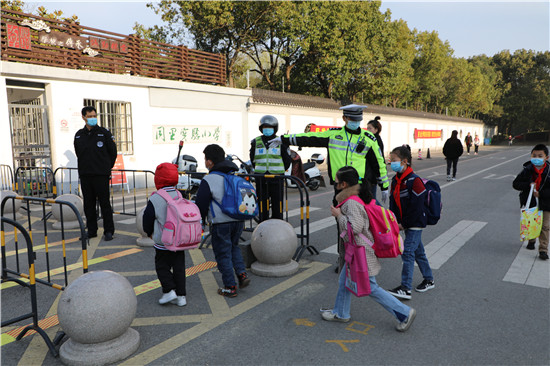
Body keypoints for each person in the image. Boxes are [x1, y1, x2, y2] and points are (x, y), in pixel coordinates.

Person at [268, 104, 389, 270]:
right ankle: (345, 260)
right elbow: (309, 138)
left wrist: (384, 185)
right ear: (345, 119)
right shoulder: (334, 135)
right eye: (352, 119)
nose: (355, 122)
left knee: (359, 227)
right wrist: (284, 139)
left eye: (358, 119)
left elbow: (379, 163)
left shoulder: (369, 138)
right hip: (340, 189)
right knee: (342, 225)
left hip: (360, 189)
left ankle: (363, 259)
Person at [320, 166, 417, 332]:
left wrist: (339, 216)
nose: (334, 184)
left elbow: (355, 228)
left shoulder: (350, 202)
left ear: (343, 184)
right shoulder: (353, 199)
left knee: (371, 288)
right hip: (357, 251)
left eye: (336, 182)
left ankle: (404, 313)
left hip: (360, 252)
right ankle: (341, 313)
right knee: (344, 281)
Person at [195, 144, 251, 297]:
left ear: (210, 162)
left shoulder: (209, 179)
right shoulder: (233, 175)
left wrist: (201, 221)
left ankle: (230, 286)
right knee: (234, 248)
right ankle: (242, 274)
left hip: (221, 223)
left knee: (223, 254)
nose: (205, 162)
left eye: (205, 159)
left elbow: (201, 204)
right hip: (238, 220)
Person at [387, 146, 435, 300]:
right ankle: (429, 279)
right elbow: (393, 203)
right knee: (418, 252)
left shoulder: (415, 181)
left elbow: (416, 208)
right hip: (405, 223)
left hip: (415, 223)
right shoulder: (396, 180)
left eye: (394, 160)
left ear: (405, 161)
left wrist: (404, 224)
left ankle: (405, 288)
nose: (391, 163)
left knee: (408, 252)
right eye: (391, 160)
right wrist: (393, 221)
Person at [143, 163, 187, 306]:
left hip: (163, 241)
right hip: (179, 240)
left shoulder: (155, 198)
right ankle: (181, 297)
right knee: (179, 268)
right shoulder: (179, 194)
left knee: (162, 266)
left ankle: (169, 290)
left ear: (158, 179)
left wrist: (148, 232)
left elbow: (147, 218)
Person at [74, 106, 117, 241]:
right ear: (83, 117)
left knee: (104, 204)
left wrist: (106, 168)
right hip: (86, 175)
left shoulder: (104, 133)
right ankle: (91, 230)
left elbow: (113, 152)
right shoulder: (79, 135)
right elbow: (79, 153)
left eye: (94, 115)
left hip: (101, 175)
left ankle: (108, 231)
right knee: (89, 204)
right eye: (90, 116)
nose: (93, 118)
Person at [249, 115, 291, 221]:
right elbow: (253, 159)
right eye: (265, 127)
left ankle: (277, 224)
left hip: (277, 178)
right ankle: (263, 225)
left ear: (275, 128)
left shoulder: (280, 141)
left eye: (270, 127)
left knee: (278, 204)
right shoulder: (255, 142)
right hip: (261, 178)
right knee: (262, 204)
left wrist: (278, 170)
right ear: (261, 128)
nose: (267, 129)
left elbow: (287, 160)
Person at [512, 144, 550, 260]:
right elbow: (515, 184)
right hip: (530, 201)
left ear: (546, 158)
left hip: (546, 202)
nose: (536, 158)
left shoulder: (549, 172)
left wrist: (541, 194)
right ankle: (531, 240)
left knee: (545, 226)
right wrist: (528, 186)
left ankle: (543, 249)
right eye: (534, 155)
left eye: (540, 156)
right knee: (531, 223)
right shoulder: (527, 170)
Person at [366, 116, 384, 202]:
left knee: (371, 200)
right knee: (370, 199)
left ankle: (385, 214)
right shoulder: (372, 139)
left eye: (370, 128)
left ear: (376, 130)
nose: (367, 130)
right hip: (370, 174)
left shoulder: (375, 141)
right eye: (367, 128)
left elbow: (377, 161)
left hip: (372, 175)